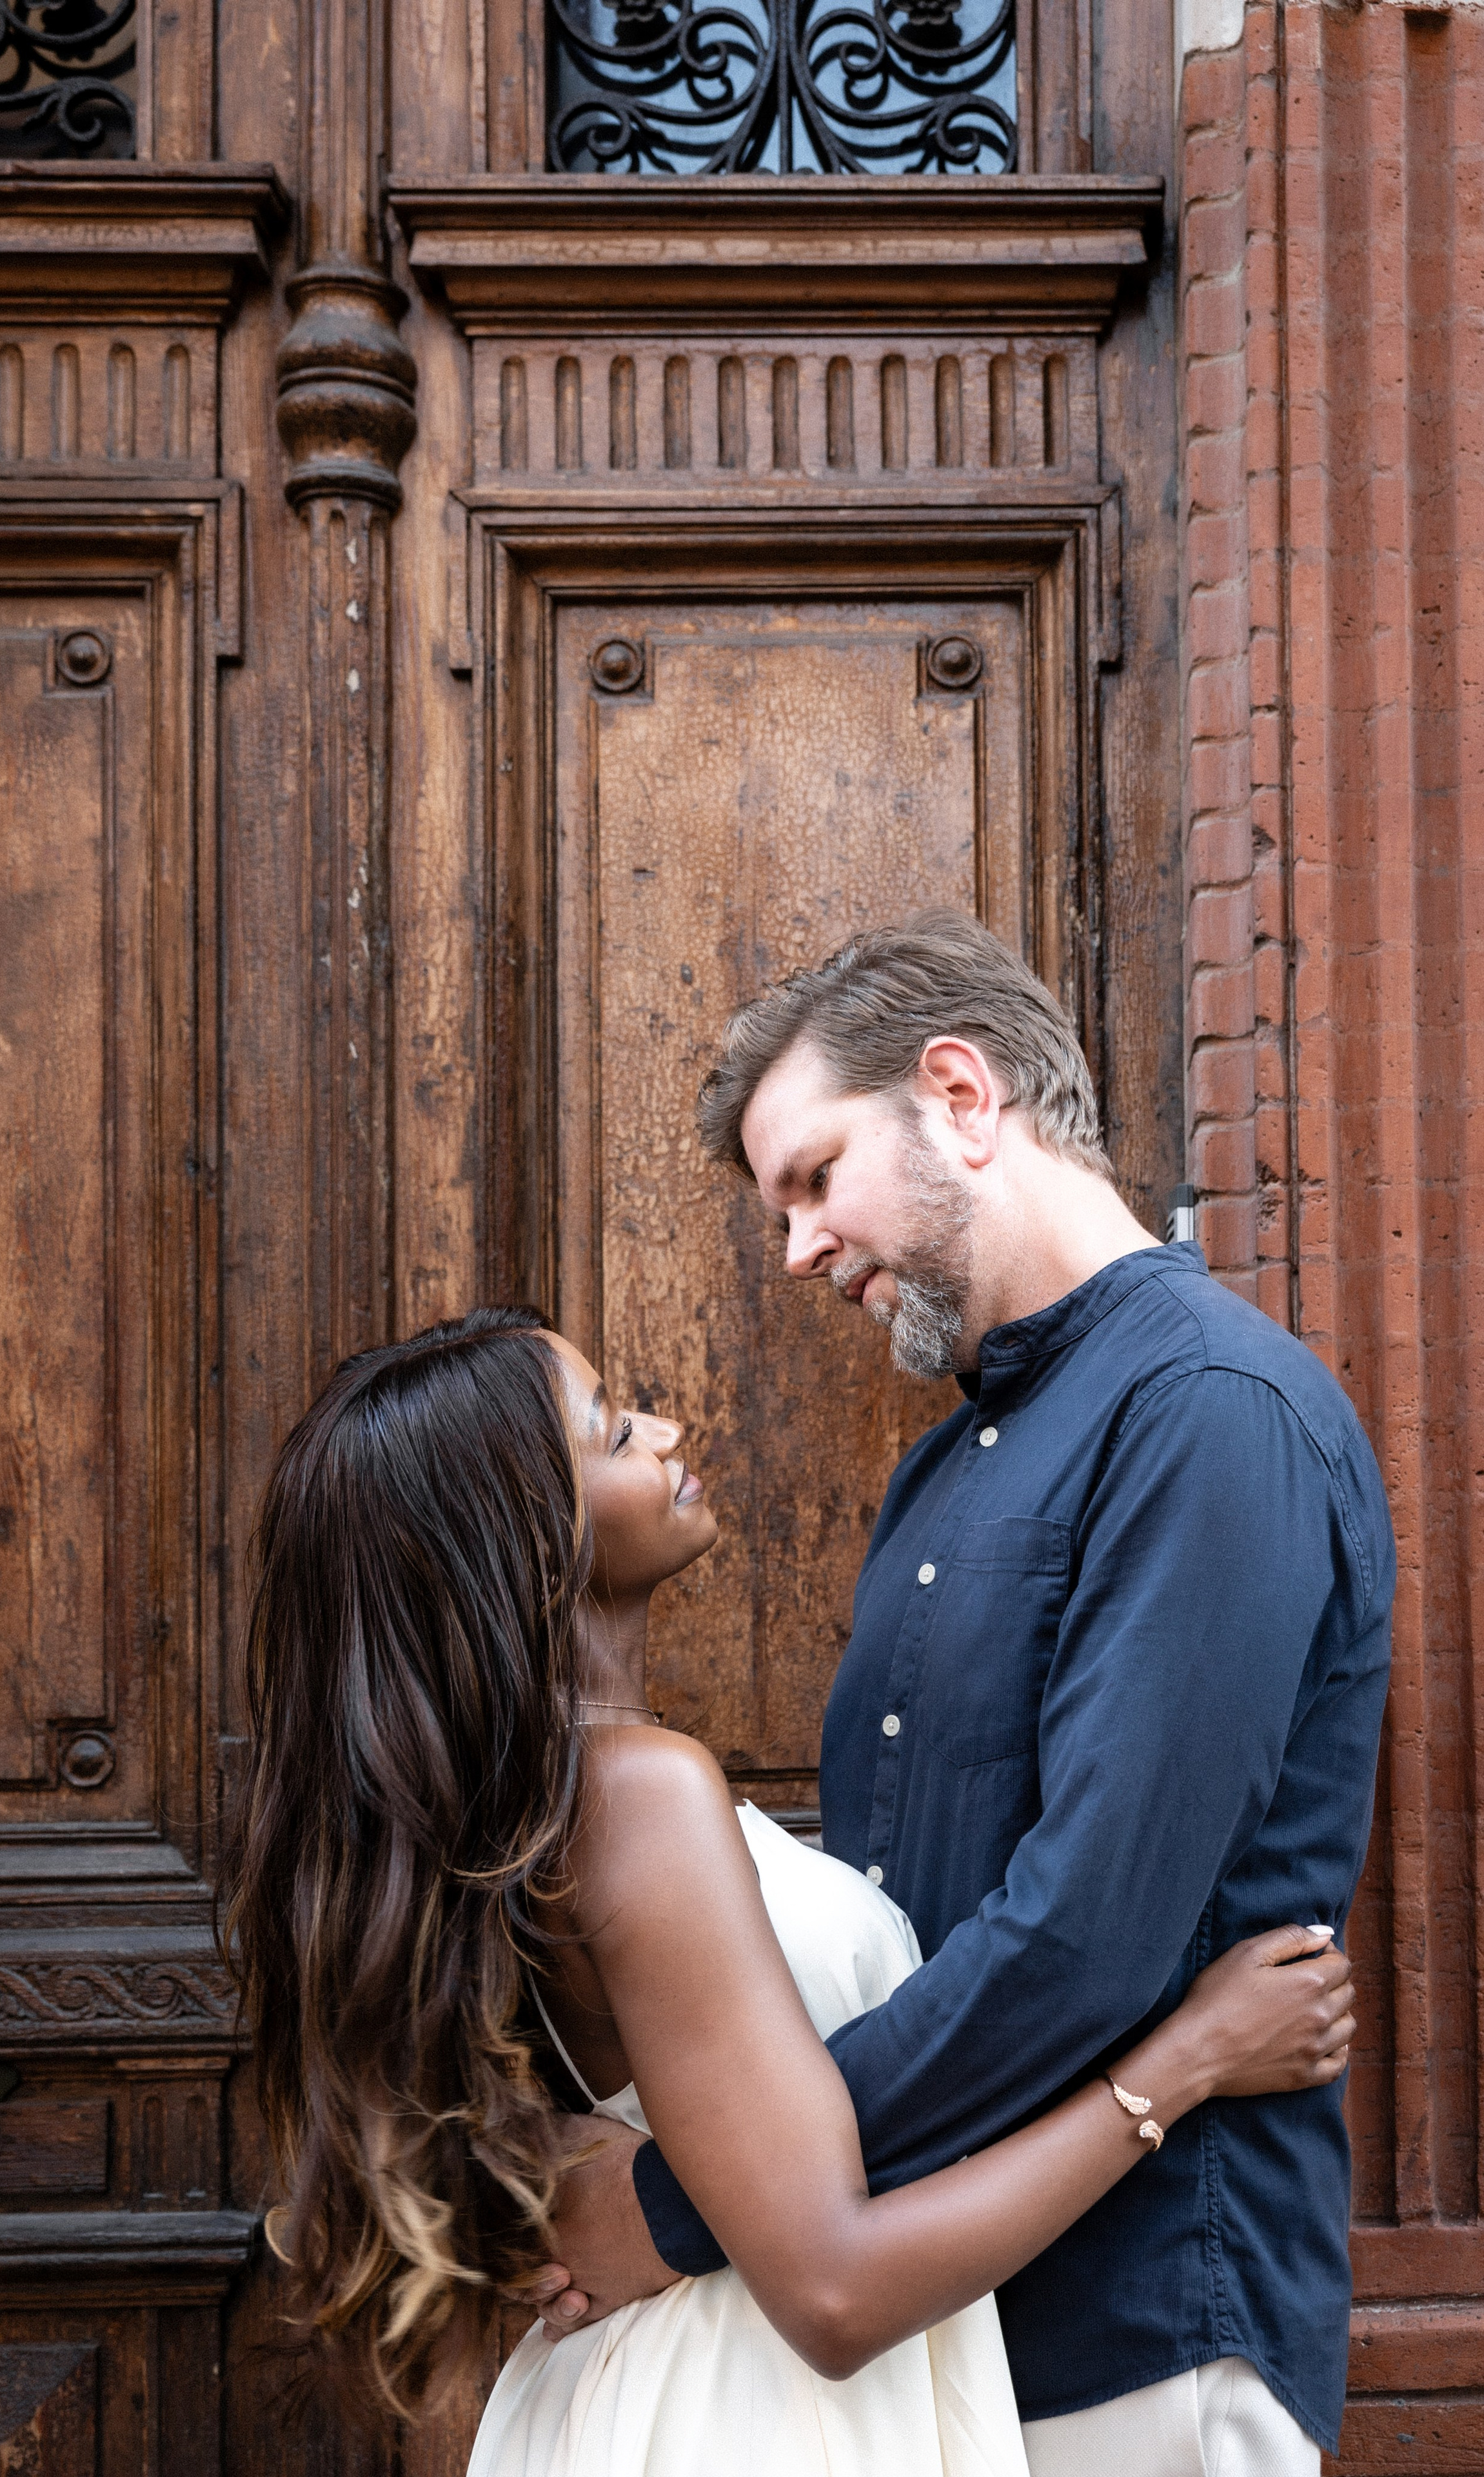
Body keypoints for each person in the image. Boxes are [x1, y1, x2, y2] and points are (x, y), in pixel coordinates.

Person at [525, 910, 1395, 2477]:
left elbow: (1084, 1939)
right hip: (934, 2333)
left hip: (1135, 2325)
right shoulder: (944, 1465)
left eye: (811, 1178)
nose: (793, 1249)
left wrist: (688, 2202)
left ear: (961, 1095)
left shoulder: (1207, 1411)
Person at [220, 1304, 1356, 2476]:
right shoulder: (637, 1798)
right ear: (519, 1537)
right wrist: (1187, 2063)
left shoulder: (550, 1805)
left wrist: (653, 2200)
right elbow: (834, 2290)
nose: (664, 1432)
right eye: (611, 1435)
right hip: (752, 2409)